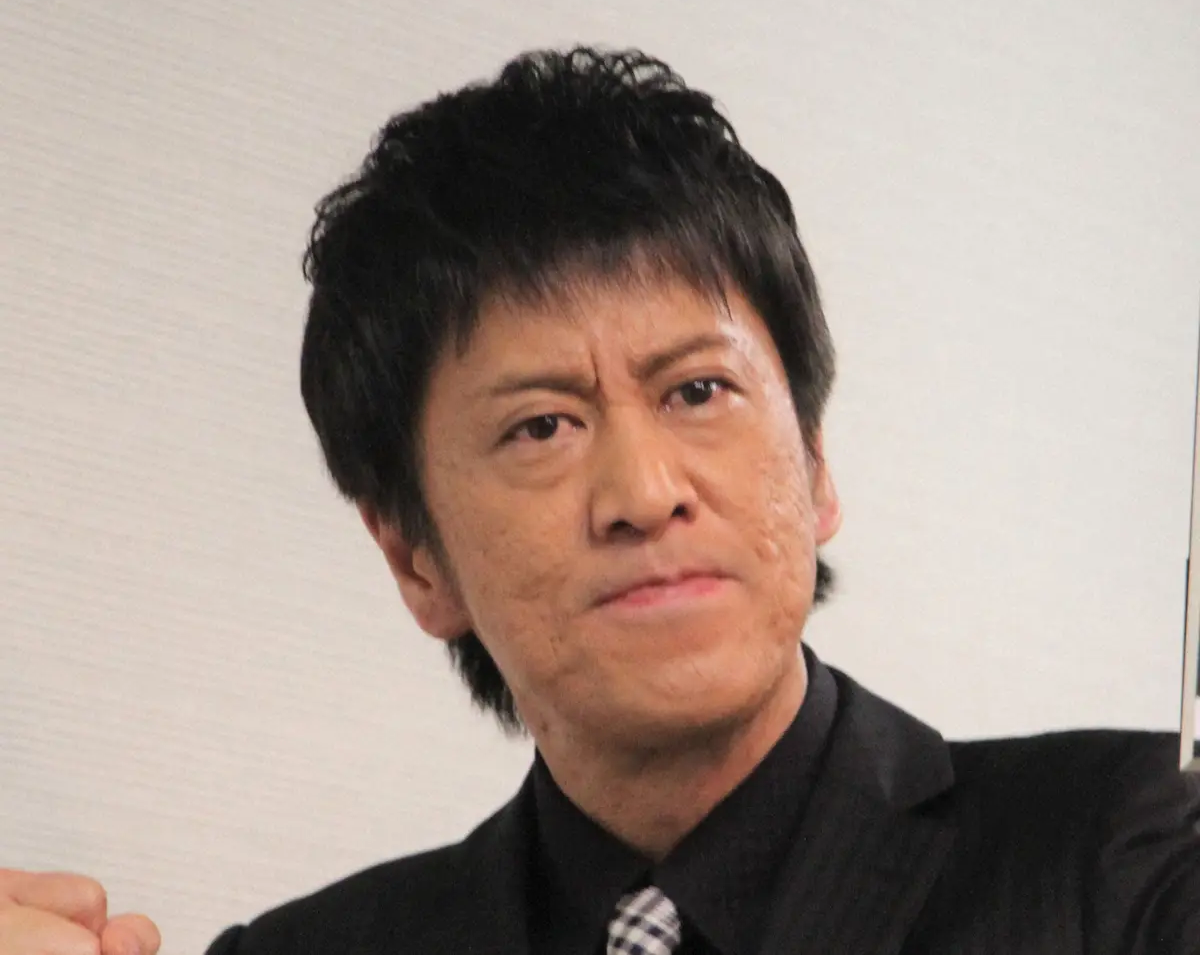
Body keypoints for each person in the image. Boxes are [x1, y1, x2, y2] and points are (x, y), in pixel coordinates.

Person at [3, 46, 1198, 955]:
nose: (643, 492)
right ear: (416, 559)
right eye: (541, 426)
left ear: (816, 465)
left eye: (698, 391)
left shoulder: (1135, 850)